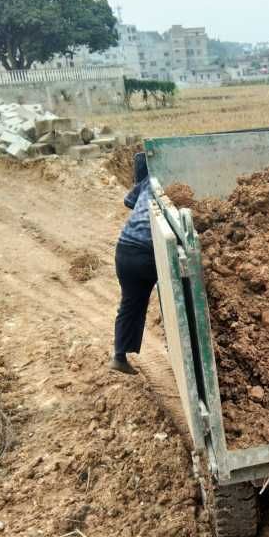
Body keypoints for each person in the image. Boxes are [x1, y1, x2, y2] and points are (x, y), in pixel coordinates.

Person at [110, 152, 158, 374]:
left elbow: (128, 201)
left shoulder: (149, 181)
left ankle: (119, 356)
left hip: (124, 249)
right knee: (178, 302)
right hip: (147, 253)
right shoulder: (176, 185)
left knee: (130, 303)